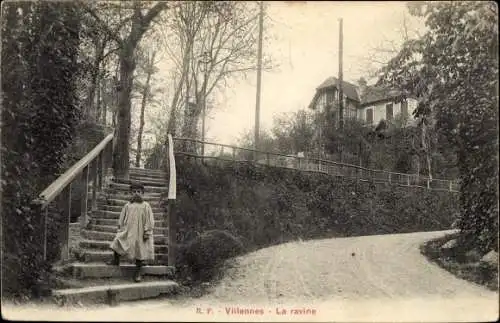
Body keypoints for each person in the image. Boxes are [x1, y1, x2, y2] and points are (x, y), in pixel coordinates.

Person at [108, 182, 155, 282]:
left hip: (140, 232)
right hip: (128, 231)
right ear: (130, 193)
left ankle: (138, 272)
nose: (136, 194)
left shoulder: (146, 206)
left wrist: (147, 231)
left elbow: (149, 220)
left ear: (142, 193)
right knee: (118, 240)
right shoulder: (127, 205)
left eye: (139, 192)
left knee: (139, 251)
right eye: (134, 192)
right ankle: (116, 260)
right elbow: (122, 217)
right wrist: (120, 227)